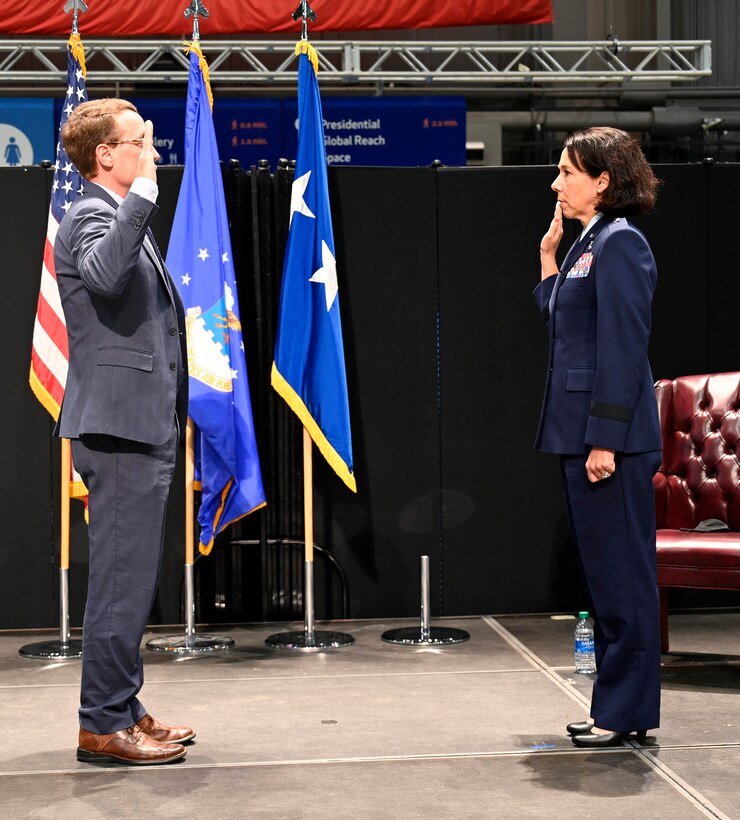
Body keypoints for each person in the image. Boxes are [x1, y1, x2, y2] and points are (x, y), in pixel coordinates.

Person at [55, 98, 192, 765]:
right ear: (104, 154)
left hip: (141, 425)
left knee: (131, 578)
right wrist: (141, 196)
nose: (152, 152)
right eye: (140, 141)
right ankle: (101, 723)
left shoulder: (116, 218)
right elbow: (107, 279)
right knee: (120, 580)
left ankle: (125, 707)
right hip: (118, 430)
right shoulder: (89, 213)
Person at [535, 127, 662, 748]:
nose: (557, 183)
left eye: (567, 172)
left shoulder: (622, 245)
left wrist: (605, 440)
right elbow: (568, 327)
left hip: (609, 441)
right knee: (606, 580)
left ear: (603, 180)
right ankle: (620, 707)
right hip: (581, 434)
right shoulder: (590, 243)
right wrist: (547, 263)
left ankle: (623, 711)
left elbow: (621, 350)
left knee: (622, 581)